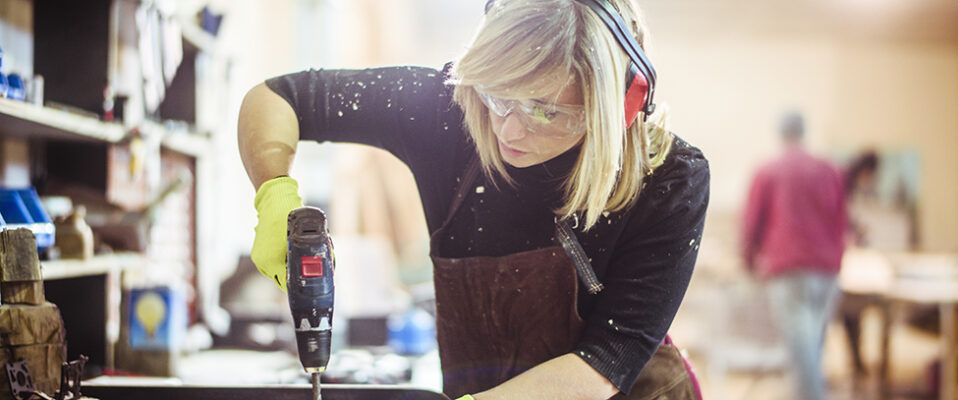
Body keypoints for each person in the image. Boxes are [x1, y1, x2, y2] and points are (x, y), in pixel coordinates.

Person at [238, 0, 709, 398]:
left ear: (620, 107)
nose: (507, 128)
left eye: (545, 112)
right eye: (499, 95)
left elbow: (602, 365)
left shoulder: (668, 178)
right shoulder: (448, 110)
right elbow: (278, 97)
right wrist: (274, 191)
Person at [741, 112, 846, 400]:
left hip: (789, 272)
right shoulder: (829, 170)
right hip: (827, 272)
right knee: (812, 350)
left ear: (781, 133)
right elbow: (840, 222)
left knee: (804, 353)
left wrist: (748, 263)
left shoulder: (768, 171)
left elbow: (751, 223)